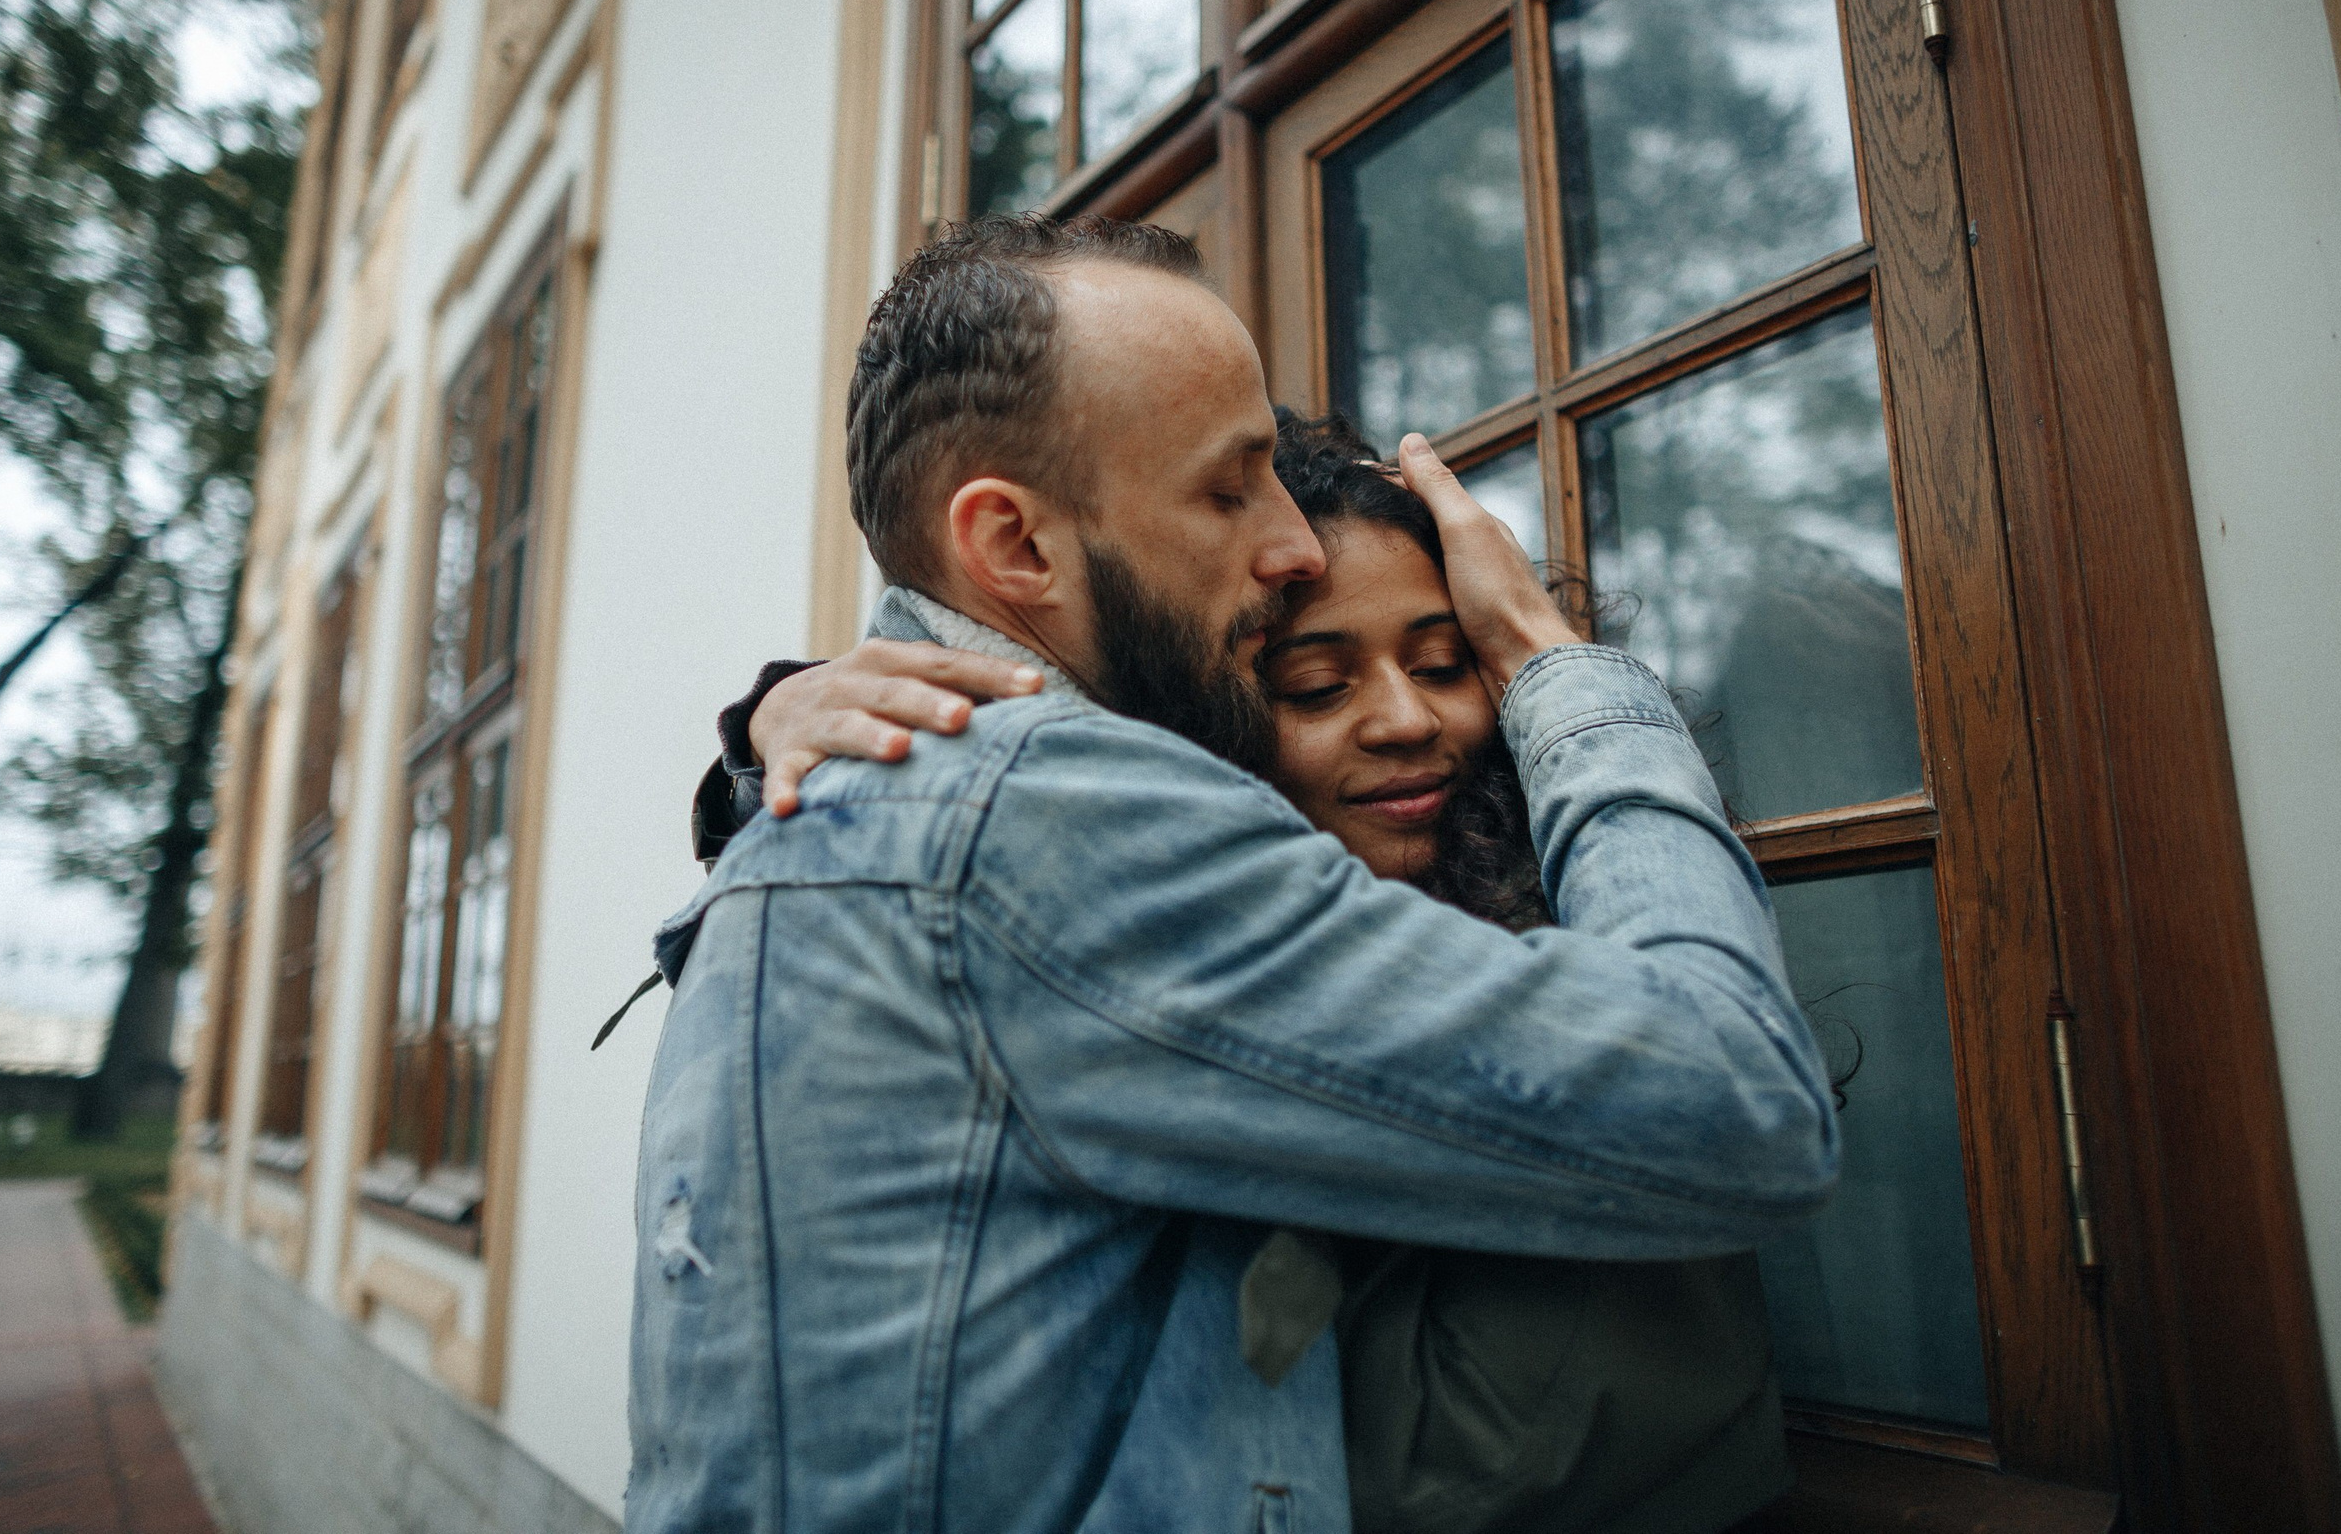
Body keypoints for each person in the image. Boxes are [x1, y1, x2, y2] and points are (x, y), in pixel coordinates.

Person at [622, 215, 1834, 1534]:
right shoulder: (1043, 817)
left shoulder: (848, 803)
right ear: (1015, 546)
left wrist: (762, 734)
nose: (1295, 546)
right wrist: (1561, 673)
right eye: (1226, 488)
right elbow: (1738, 1099)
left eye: (1447, 666)